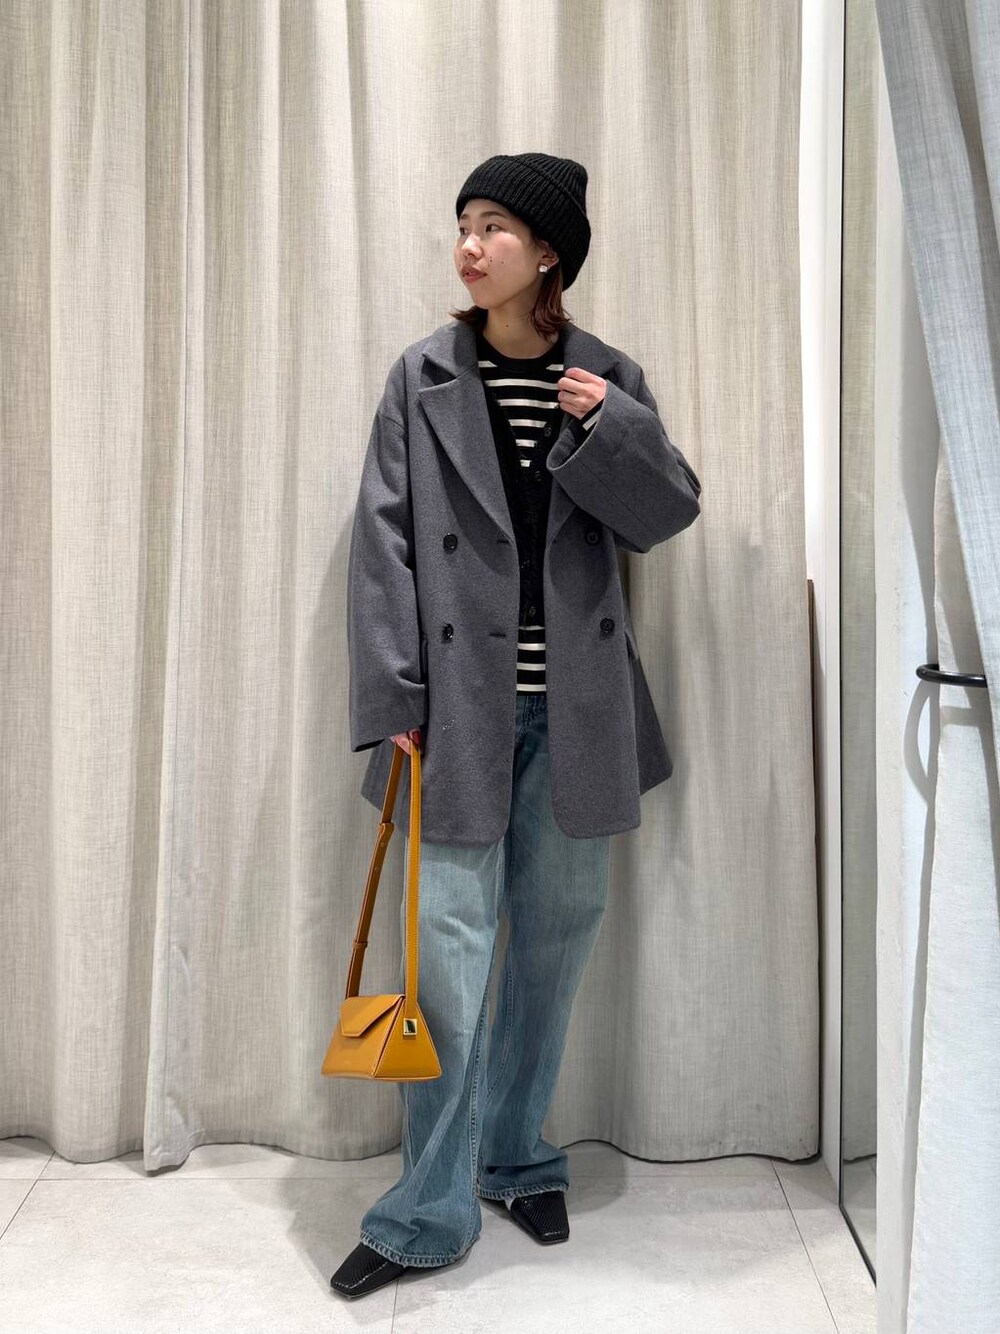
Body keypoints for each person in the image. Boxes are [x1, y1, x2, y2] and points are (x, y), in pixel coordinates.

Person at [331, 153, 702, 1300]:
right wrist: (396, 696)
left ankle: (516, 1153)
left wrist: (612, 428)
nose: (470, 244)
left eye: (494, 226)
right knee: (445, 957)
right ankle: (425, 1208)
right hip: (457, 714)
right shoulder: (422, 377)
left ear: (548, 253)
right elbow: (382, 542)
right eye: (463, 223)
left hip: (578, 710)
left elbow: (664, 515)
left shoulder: (606, 377)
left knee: (552, 942)